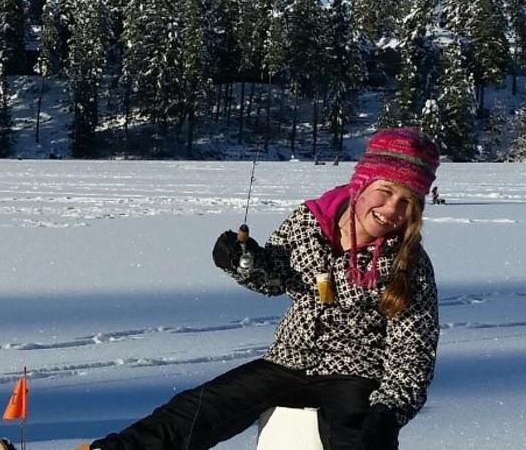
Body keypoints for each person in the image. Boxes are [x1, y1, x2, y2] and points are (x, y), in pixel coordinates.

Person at [79, 128, 441, 450]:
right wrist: (244, 262)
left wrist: (389, 411)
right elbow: (275, 277)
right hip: (289, 360)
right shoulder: (309, 222)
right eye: (386, 191)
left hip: (357, 373)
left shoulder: (409, 262)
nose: (391, 209)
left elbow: (413, 351)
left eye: (406, 202)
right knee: (196, 410)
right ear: (361, 183)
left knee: (358, 440)